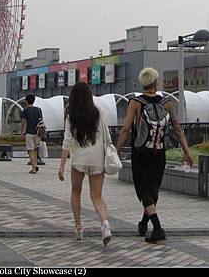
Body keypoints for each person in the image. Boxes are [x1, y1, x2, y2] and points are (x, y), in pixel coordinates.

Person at [116, 67, 195, 243]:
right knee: (153, 190)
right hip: (159, 153)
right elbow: (177, 129)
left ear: (143, 84)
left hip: (141, 154)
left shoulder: (135, 102)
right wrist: (187, 153)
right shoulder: (167, 103)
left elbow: (126, 129)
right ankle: (144, 224)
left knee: (144, 190)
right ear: (155, 83)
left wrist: (118, 149)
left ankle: (158, 228)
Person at [57, 81, 113, 246]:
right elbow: (107, 135)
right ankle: (105, 224)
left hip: (79, 159)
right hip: (97, 159)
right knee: (96, 196)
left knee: (76, 192)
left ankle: (79, 228)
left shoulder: (70, 115)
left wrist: (61, 166)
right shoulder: (98, 112)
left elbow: (67, 141)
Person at [21, 94, 44, 174]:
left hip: (29, 133)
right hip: (38, 133)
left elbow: (23, 122)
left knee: (30, 150)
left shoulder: (26, 110)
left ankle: (34, 168)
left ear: (26, 101)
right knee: (35, 149)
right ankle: (35, 165)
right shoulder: (39, 110)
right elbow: (41, 120)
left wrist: (22, 132)